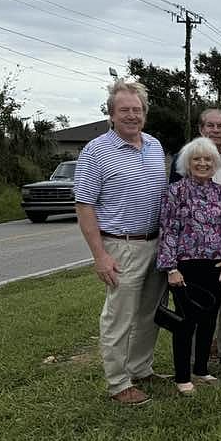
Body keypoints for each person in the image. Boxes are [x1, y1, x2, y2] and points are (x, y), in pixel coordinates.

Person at [74, 80, 168, 405]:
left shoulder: (154, 146)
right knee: (119, 317)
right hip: (121, 246)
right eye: (124, 110)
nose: (132, 115)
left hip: (156, 244)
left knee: (149, 313)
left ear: (144, 113)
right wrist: (99, 255)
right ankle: (118, 384)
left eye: (137, 110)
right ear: (111, 114)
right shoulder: (96, 151)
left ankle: (141, 368)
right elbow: (84, 206)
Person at [158, 137, 221, 395]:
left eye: (207, 159)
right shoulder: (175, 191)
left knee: (208, 320)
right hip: (185, 266)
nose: (202, 163)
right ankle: (182, 376)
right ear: (187, 163)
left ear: (215, 163)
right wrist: (171, 268)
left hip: (217, 265)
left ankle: (202, 369)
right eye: (197, 159)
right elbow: (168, 231)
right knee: (185, 322)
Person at [170, 108, 221, 370]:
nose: (217, 131)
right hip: (191, 255)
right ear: (201, 129)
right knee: (195, 306)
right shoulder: (184, 160)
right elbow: (172, 217)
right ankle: (194, 358)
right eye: (211, 126)